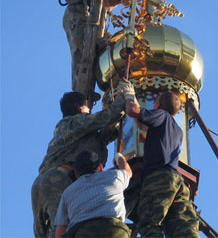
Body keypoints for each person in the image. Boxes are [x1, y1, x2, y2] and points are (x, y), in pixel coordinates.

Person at [31, 91, 125, 238]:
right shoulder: (75, 121)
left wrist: (116, 127)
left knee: (45, 233)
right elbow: (103, 118)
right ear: (80, 108)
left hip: (43, 184)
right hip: (58, 180)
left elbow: (98, 141)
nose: (89, 110)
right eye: (88, 106)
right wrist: (123, 99)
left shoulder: (73, 130)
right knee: (61, 228)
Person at [119, 79, 199, 238]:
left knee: (149, 223)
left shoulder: (161, 115)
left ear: (158, 105)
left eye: (153, 102)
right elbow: (142, 125)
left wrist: (129, 96)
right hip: (177, 182)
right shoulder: (176, 129)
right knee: (182, 225)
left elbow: (133, 111)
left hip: (158, 177)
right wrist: (135, 98)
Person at [62, 0, 140, 91]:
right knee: (82, 52)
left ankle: (103, 81)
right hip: (78, 16)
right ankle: (79, 91)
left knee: (112, 44)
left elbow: (130, 0)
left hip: (97, 24)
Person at [54, 150, 132, 238]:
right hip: (114, 230)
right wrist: (119, 157)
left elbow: (60, 229)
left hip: (83, 233)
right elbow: (127, 171)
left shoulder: (68, 192)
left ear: (76, 173)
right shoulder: (114, 176)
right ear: (101, 167)